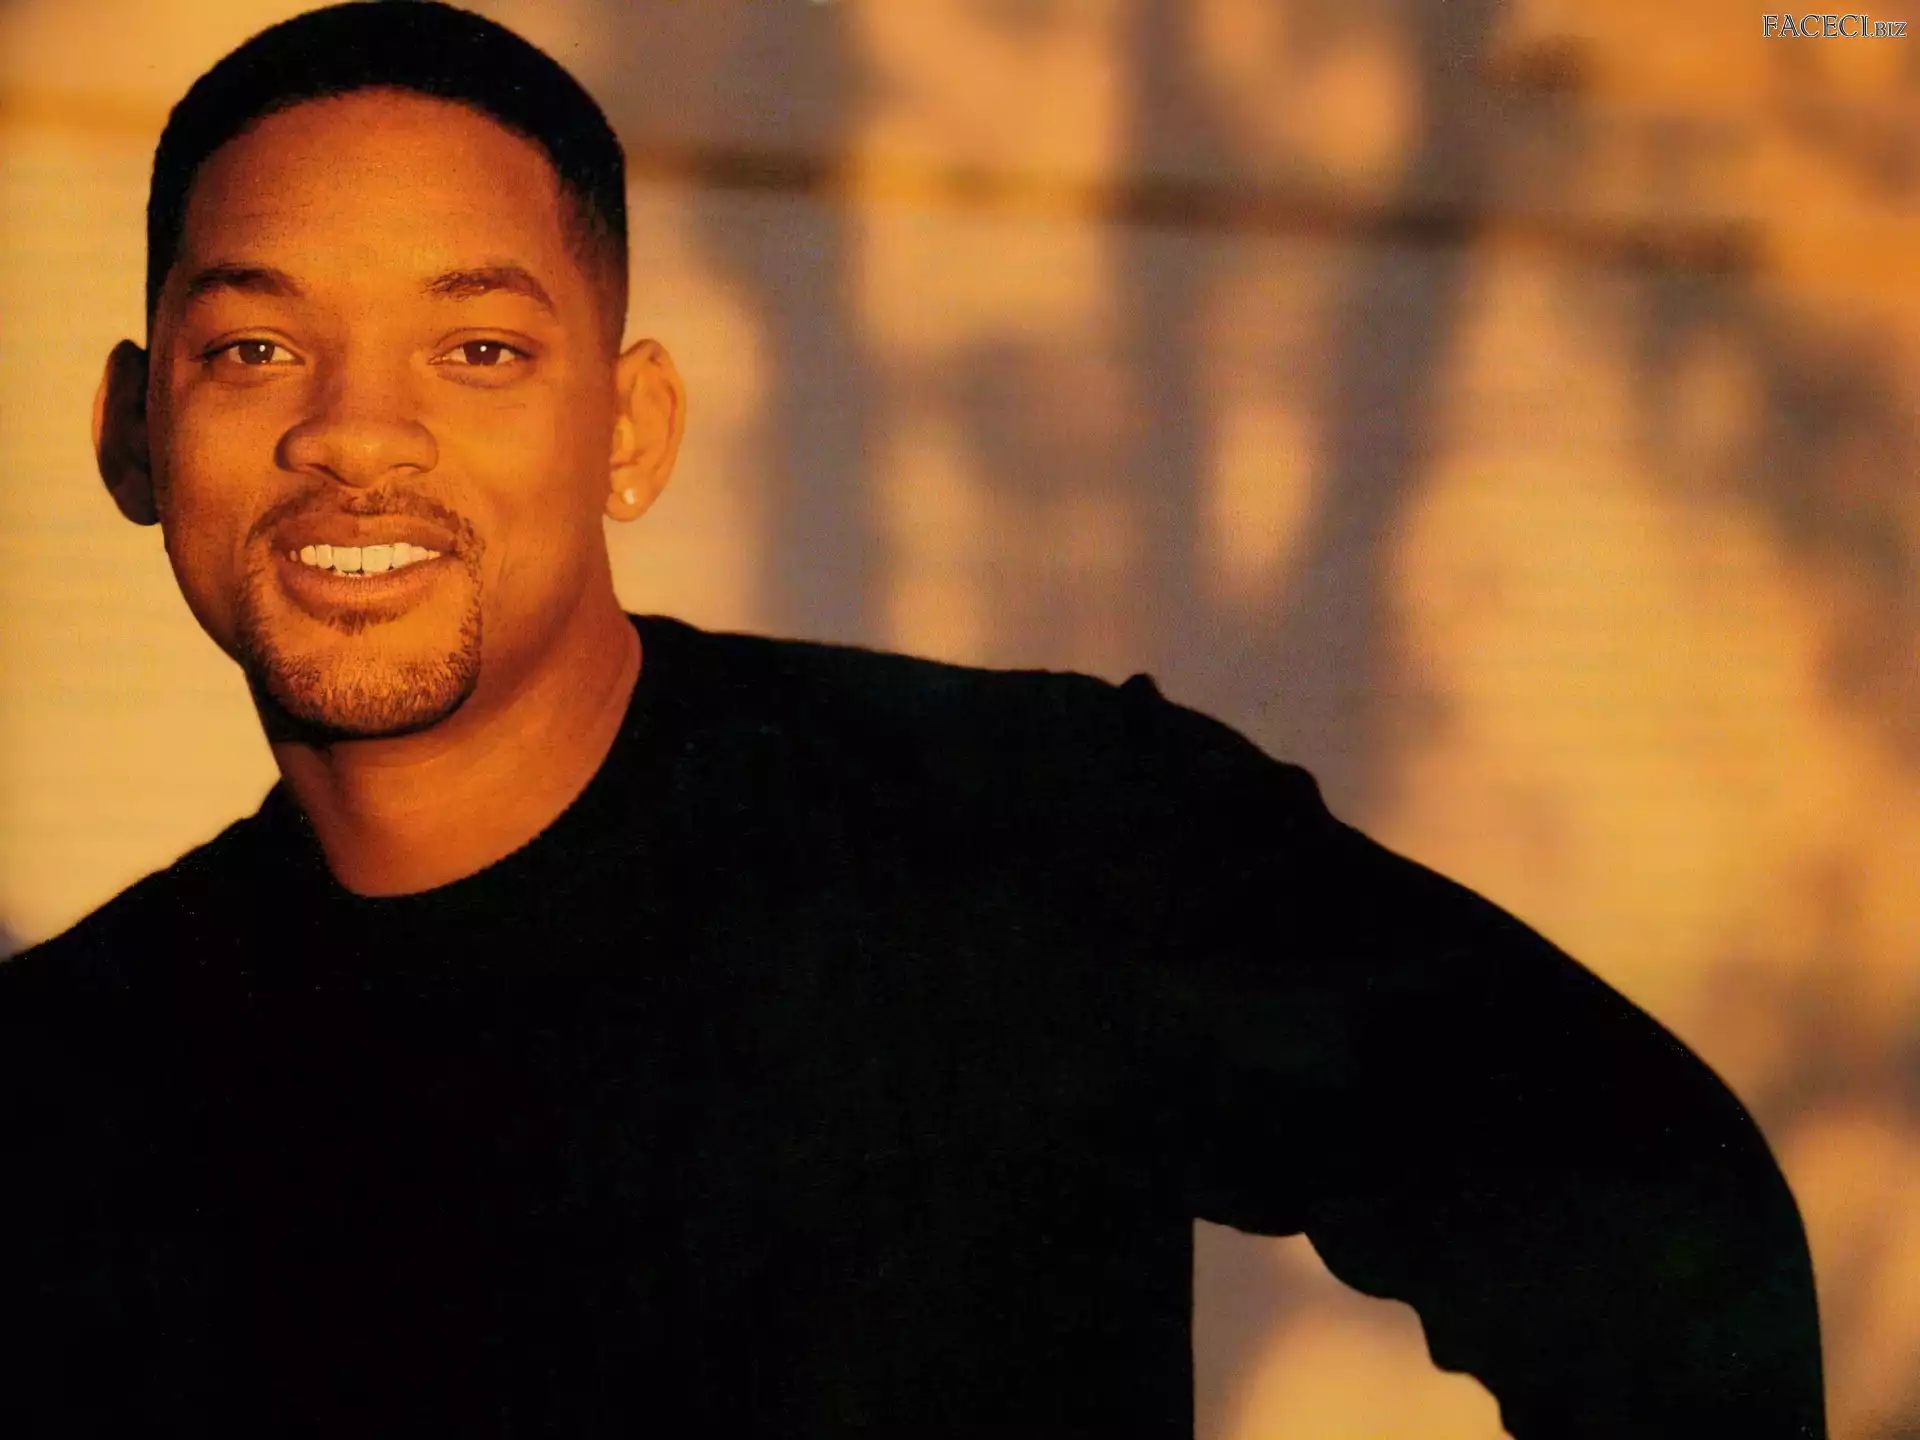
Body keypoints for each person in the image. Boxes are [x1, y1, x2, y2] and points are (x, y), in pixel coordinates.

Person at [1, 3, 1825, 1436]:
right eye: (255, 349)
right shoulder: (62, 1097)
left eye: (479, 349)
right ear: (136, 432)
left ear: (629, 431)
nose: (354, 433)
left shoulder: (1037, 838)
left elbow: (1655, 1219)